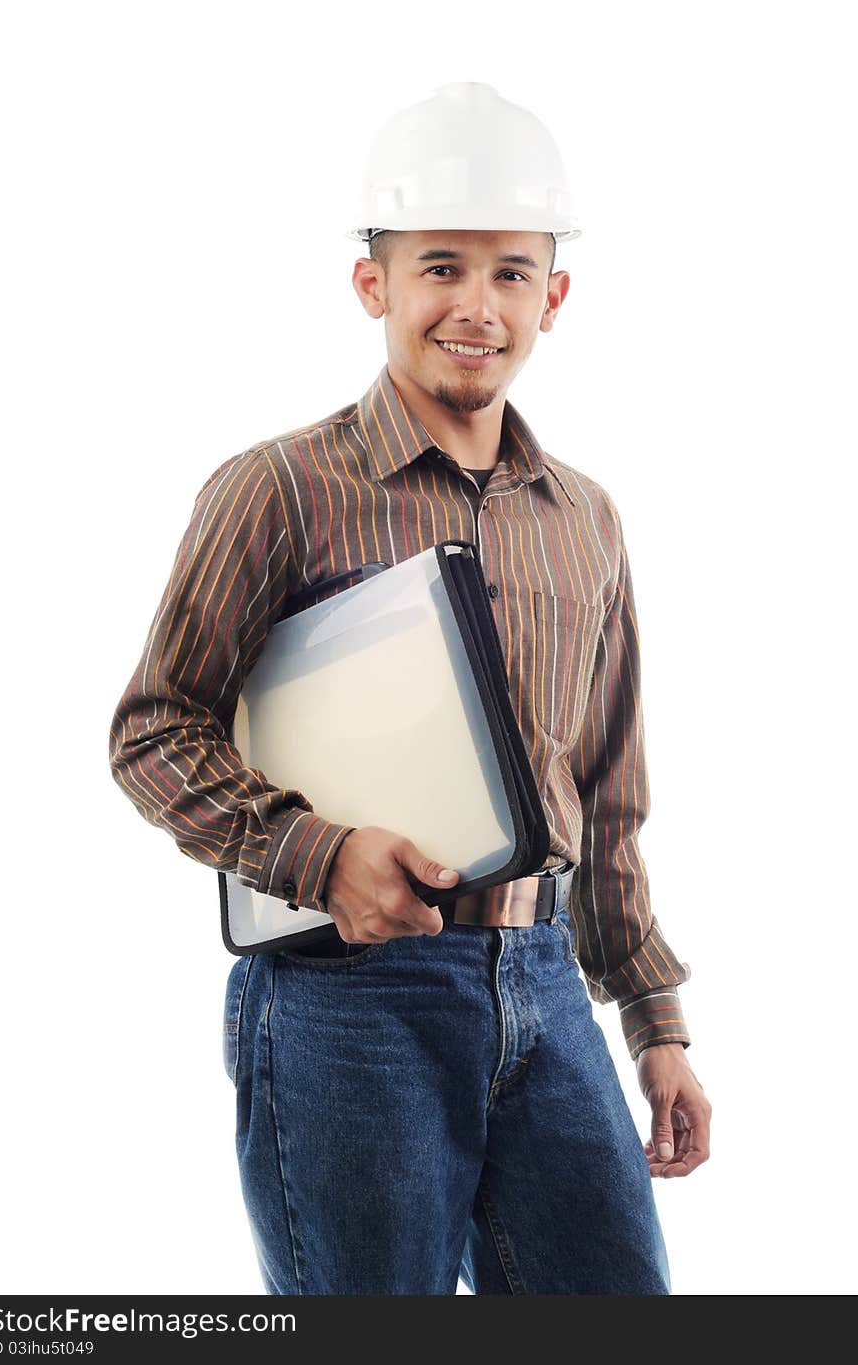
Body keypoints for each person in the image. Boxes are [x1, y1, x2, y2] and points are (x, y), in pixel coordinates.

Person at [108, 81, 711, 1295]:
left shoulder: (585, 520)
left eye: (508, 271)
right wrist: (317, 854)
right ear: (373, 283)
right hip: (347, 1003)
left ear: (555, 295)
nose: (473, 306)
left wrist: (652, 1022)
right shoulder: (276, 488)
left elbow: (603, 795)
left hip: (544, 985)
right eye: (439, 266)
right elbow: (151, 731)